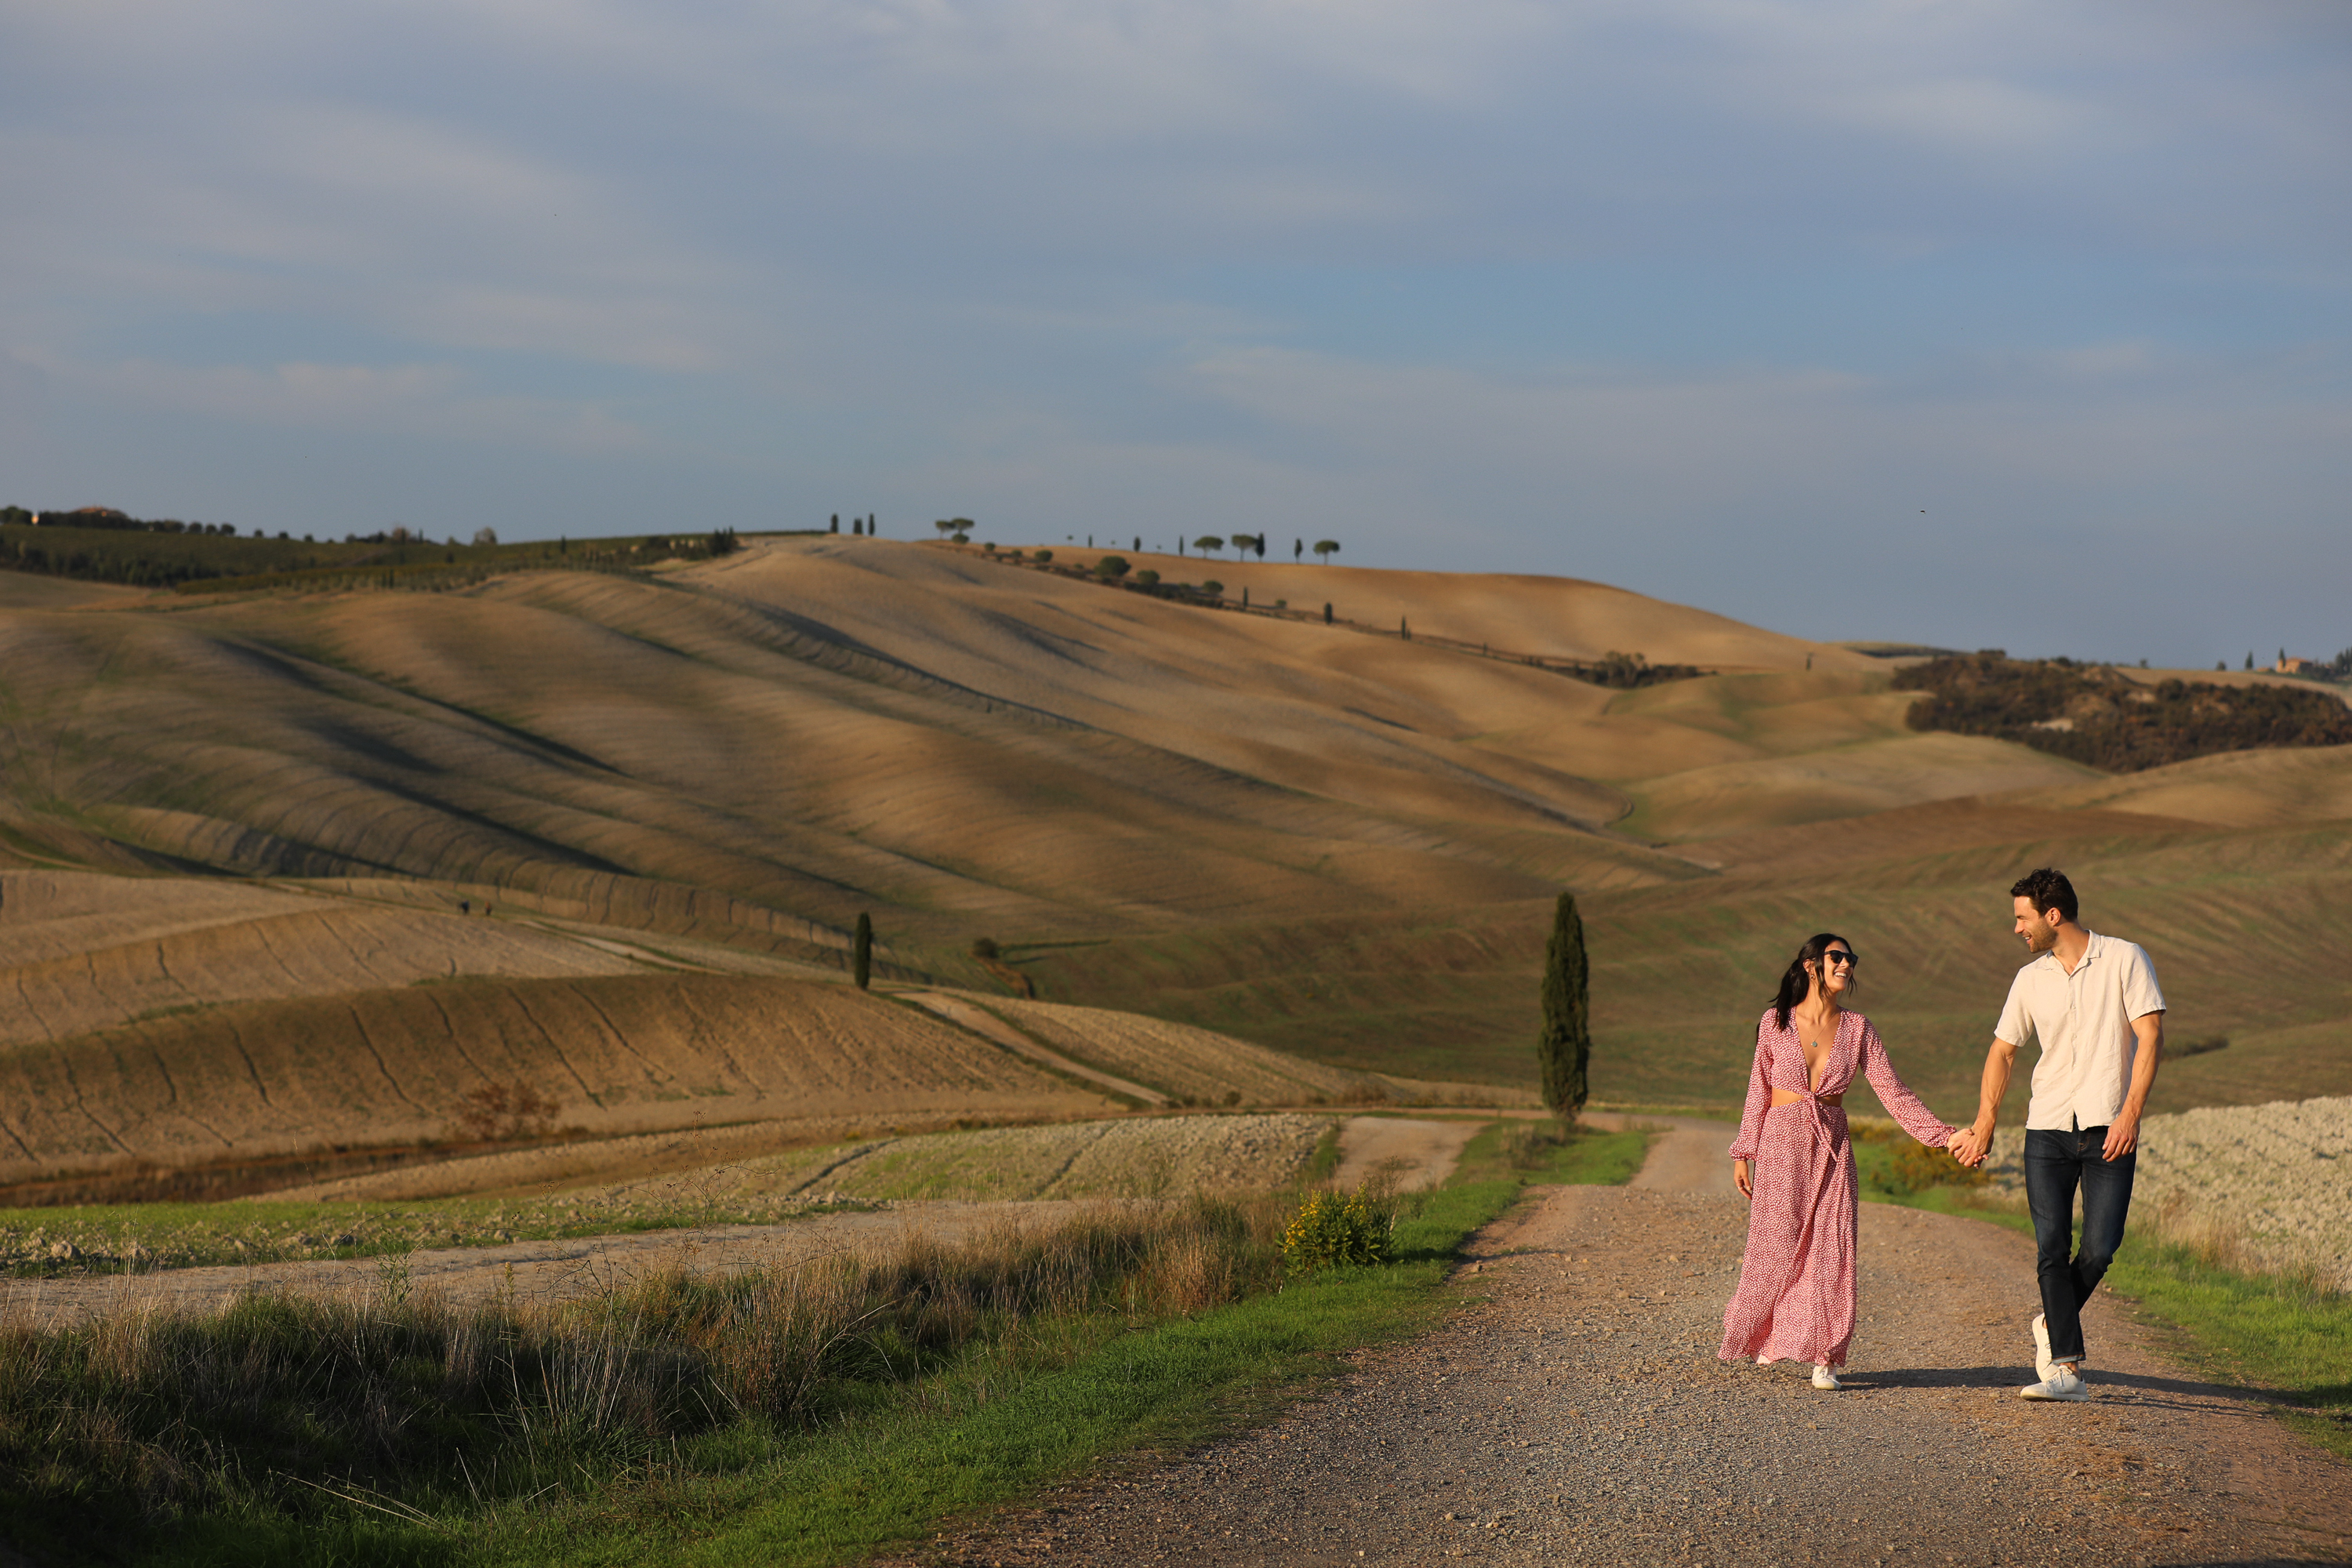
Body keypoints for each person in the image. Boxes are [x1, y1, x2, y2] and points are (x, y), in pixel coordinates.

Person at [1947, 869, 2164, 1403]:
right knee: (2050, 1247)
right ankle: (2065, 1369)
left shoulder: (2124, 958)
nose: (2017, 929)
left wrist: (2131, 1112)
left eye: (2022, 917)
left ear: (2052, 915)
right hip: (2046, 1130)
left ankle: (2052, 1320)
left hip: (2108, 1126)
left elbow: (2151, 1033)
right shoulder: (2029, 979)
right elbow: (2002, 1051)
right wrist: (1985, 1122)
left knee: (2101, 1246)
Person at [1719, 933, 1959, 1389]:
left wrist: (1943, 1137)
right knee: (1776, 1248)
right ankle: (1768, 1334)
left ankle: (1824, 1355)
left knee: (1832, 1247)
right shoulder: (1775, 1023)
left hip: (1831, 1145)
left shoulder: (1859, 1029)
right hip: (1781, 1144)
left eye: (1851, 958)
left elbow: (1894, 1091)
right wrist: (1743, 1151)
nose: (1847, 964)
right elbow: (1758, 1091)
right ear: (1811, 965)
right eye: (1837, 956)